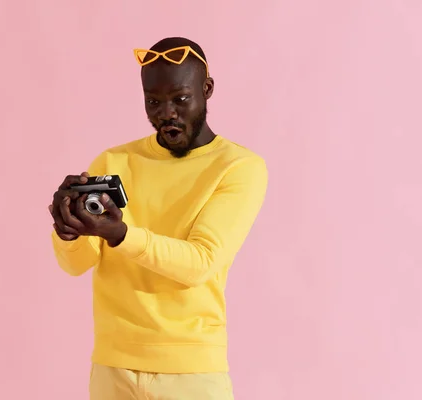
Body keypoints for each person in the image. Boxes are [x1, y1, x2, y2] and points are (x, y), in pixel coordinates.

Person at [48, 36, 268, 400]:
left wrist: (121, 234)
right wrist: (67, 230)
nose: (167, 113)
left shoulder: (239, 167)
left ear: (207, 89)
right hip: (112, 367)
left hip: (190, 374)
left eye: (181, 99)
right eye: (154, 101)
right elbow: (77, 265)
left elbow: (200, 263)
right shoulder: (113, 162)